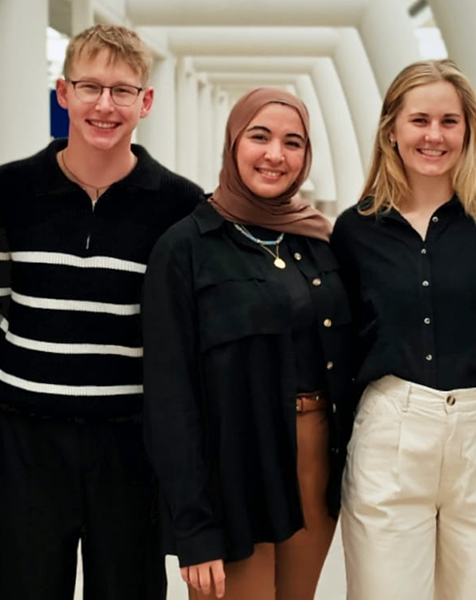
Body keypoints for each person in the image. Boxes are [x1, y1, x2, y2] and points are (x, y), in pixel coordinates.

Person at [0, 24, 205, 600]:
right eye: (90, 87)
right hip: (24, 438)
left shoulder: (180, 206)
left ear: (145, 102)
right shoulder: (7, 189)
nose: (104, 105)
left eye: (123, 90)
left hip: (129, 442)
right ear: (63, 93)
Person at [331, 59, 476, 600]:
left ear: (468, 130)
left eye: (449, 121)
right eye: (420, 120)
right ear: (391, 129)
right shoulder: (355, 229)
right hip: (389, 429)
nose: (434, 135)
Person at [144, 87, 350, 600]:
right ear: (234, 142)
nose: (275, 154)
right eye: (259, 136)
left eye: (293, 142)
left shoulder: (318, 239)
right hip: (233, 469)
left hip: (315, 463)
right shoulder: (186, 246)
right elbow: (170, 398)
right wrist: (193, 528)